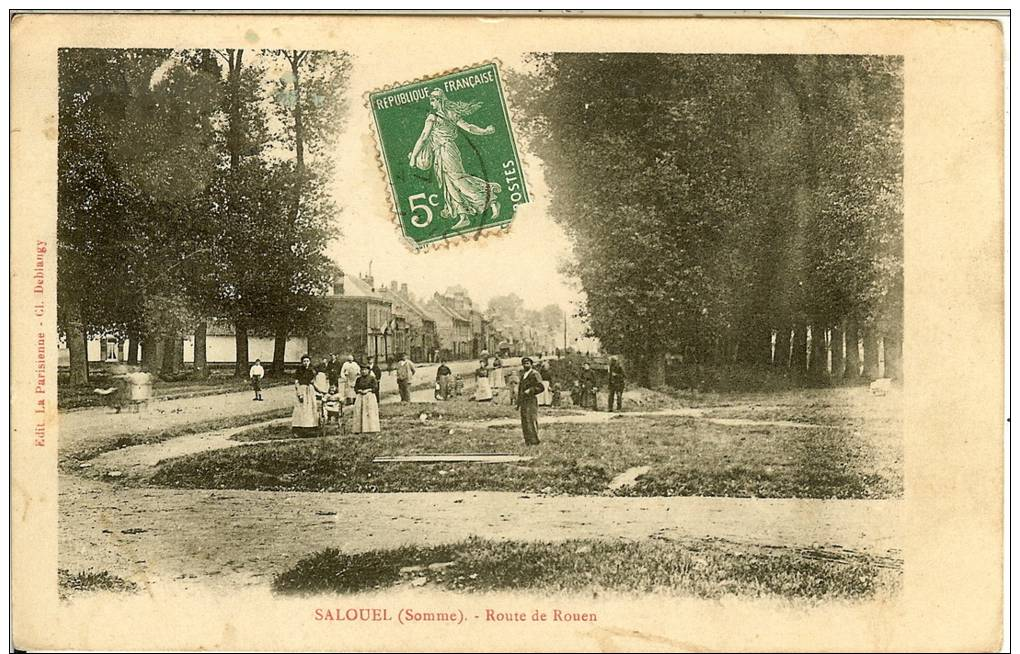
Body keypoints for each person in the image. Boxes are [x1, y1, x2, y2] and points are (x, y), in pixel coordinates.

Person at [408, 88, 503, 230]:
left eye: (432, 100)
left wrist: (414, 157)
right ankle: (463, 216)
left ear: (438, 100)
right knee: (449, 184)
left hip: (446, 151)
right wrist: (484, 131)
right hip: (442, 153)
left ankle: (491, 200)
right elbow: (469, 128)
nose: (431, 103)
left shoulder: (432, 118)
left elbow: (423, 138)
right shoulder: (450, 114)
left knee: (458, 180)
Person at [517, 357, 544, 446]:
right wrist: (518, 402)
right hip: (524, 400)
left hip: (531, 400)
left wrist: (530, 390)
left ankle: (534, 441)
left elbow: (541, 387)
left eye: (527, 363)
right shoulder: (523, 375)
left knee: (531, 419)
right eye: (524, 364)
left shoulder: (534, 374)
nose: (526, 365)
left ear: (531, 364)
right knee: (525, 420)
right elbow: (520, 389)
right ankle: (527, 441)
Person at [292, 355, 320, 436]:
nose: (306, 363)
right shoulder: (299, 370)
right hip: (302, 390)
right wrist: (299, 394)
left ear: (309, 362)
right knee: (300, 409)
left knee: (311, 409)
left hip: (310, 391)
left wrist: (320, 391)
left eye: (307, 361)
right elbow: (296, 383)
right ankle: (298, 429)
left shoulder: (312, 370)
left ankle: (310, 428)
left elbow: (313, 383)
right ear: (302, 362)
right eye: (304, 361)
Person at [352, 364, 380, 434]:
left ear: (368, 371)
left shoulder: (372, 378)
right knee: (359, 412)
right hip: (360, 397)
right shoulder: (358, 379)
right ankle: (359, 429)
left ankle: (371, 429)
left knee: (370, 412)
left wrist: (368, 390)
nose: (363, 371)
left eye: (365, 370)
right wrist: (359, 391)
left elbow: (375, 388)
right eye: (362, 370)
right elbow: (355, 388)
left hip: (369, 396)